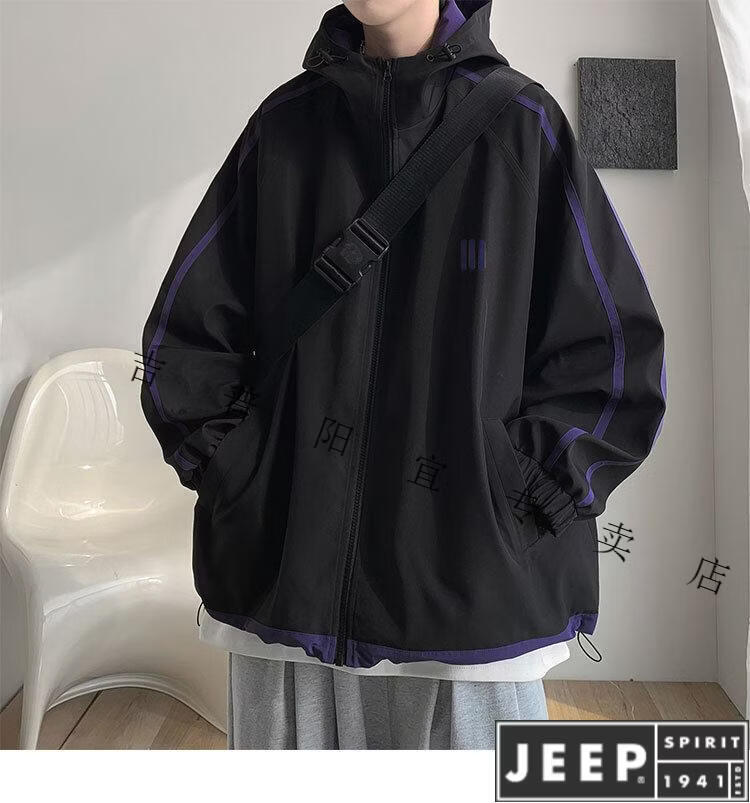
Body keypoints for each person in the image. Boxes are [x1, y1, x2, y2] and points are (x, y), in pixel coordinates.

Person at [141, 0, 667, 749]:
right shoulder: (285, 127)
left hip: (471, 602)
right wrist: (242, 473)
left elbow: (614, 356)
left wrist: (516, 497)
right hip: (286, 586)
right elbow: (187, 338)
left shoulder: (522, 127)